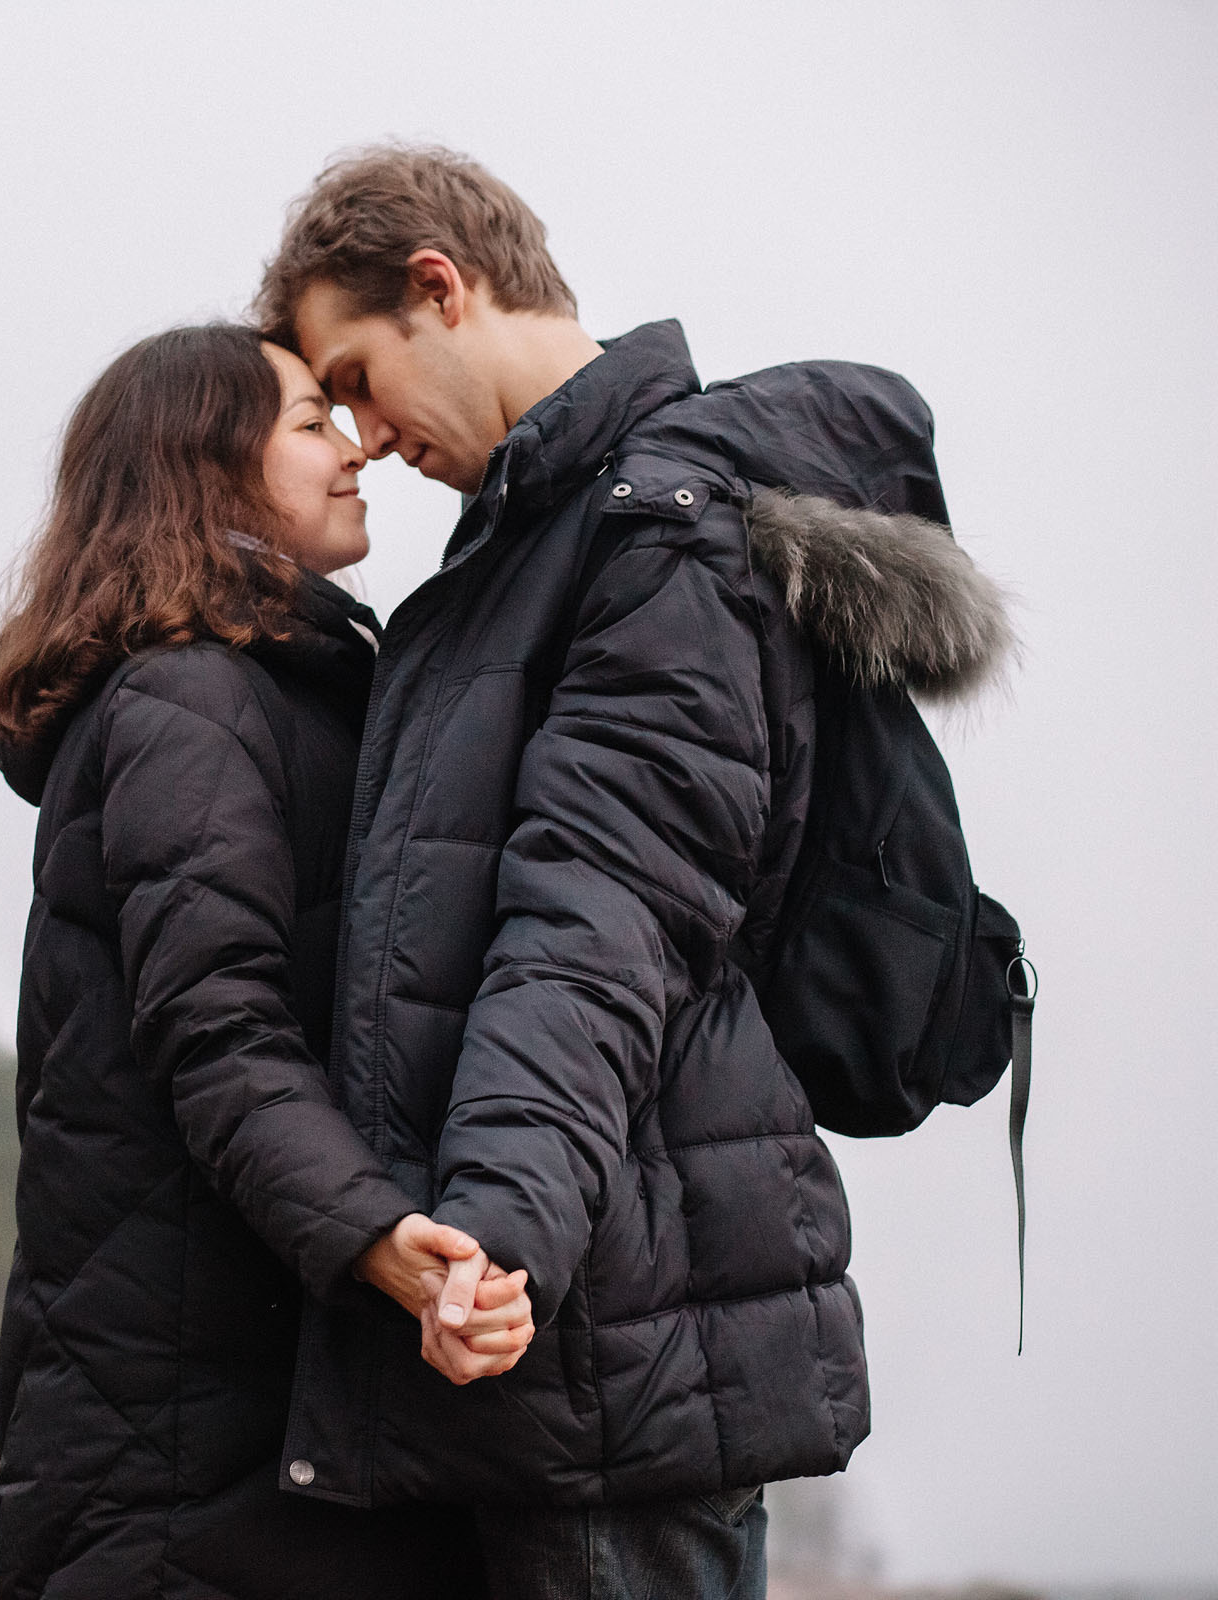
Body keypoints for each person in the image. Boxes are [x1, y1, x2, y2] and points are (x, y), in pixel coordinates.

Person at [252, 144, 1009, 1599]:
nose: (361, 432)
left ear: (440, 288)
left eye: (354, 375)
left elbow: (600, 925)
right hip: (570, 1332)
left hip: (605, 1342)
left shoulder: (653, 536)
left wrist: (497, 1242)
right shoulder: (545, 539)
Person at [0, 324, 535, 1600]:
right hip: (194, 1473)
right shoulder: (192, 698)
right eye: (309, 422)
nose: (358, 452)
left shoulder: (289, 690)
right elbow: (216, 1027)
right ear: (207, 469)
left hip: (255, 1445)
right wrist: (380, 1239)